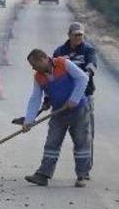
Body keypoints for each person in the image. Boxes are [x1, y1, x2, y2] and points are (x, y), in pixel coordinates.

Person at [22, 49, 91, 188]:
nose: (33, 68)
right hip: (59, 112)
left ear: (43, 59)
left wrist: (74, 99)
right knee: (52, 143)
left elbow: (83, 78)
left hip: (78, 110)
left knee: (80, 142)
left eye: (34, 64)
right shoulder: (38, 77)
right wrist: (28, 121)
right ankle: (43, 175)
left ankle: (82, 175)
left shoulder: (64, 63)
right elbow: (35, 98)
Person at [52, 22, 97, 167]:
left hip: (85, 97)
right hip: (64, 99)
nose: (78, 37)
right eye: (76, 34)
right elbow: (53, 73)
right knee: (56, 135)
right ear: (69, 35)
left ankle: (85, 168)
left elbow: (92, 65)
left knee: (85, 135)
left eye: (81, 35)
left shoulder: (89, 50)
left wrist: (85, 75)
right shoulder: (59, 52)